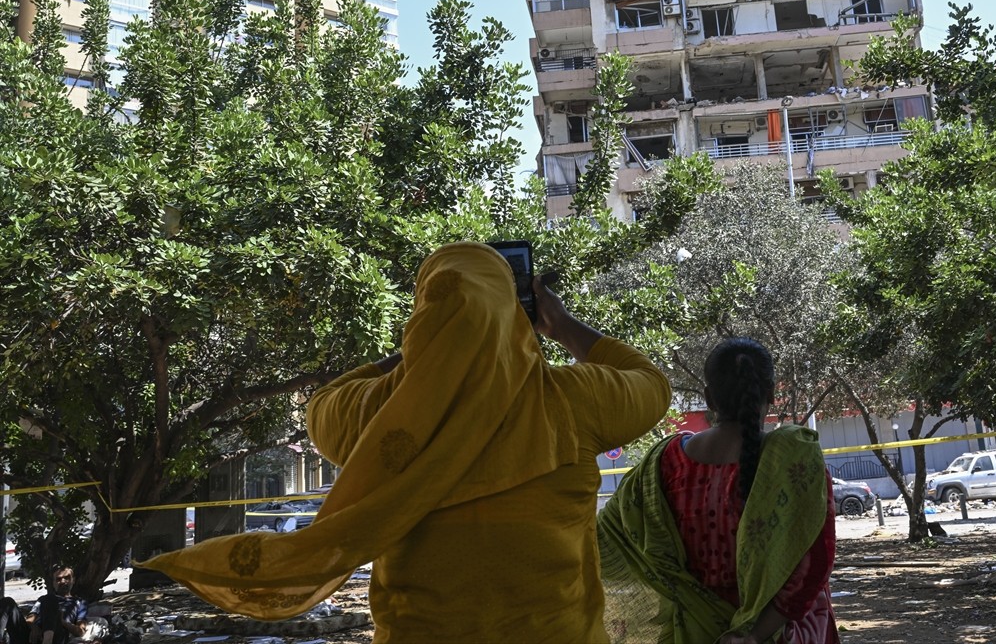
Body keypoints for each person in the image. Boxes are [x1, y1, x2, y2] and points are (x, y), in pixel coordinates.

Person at [142, 241, 671, 642]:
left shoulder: (377, 412)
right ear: (520, 313)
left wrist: (425, 354)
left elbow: (322, 404)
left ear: (422, 316)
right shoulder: (570, 399)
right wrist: (560, 325)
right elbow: (651, 383)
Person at [598, 338, 839, 644]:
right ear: (771, 393)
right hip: (778, 633)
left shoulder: (663, 465)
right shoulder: (794, 464)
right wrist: (753, 635)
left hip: (691, 632)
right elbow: (814, 564)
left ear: (709, 399)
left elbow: (607, 540)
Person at [29, 566, 87, 644]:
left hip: (58, 634)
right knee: (8, 602)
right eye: (58, 579)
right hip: (35, 634)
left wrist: (63, 622)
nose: (63, 581)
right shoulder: (43, 599)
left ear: (73, 580)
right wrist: (34, 627)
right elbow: (29, 620)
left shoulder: (80, 602)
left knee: (51, 599)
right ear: (53, 583)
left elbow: (80, 631)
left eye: (67, 578)